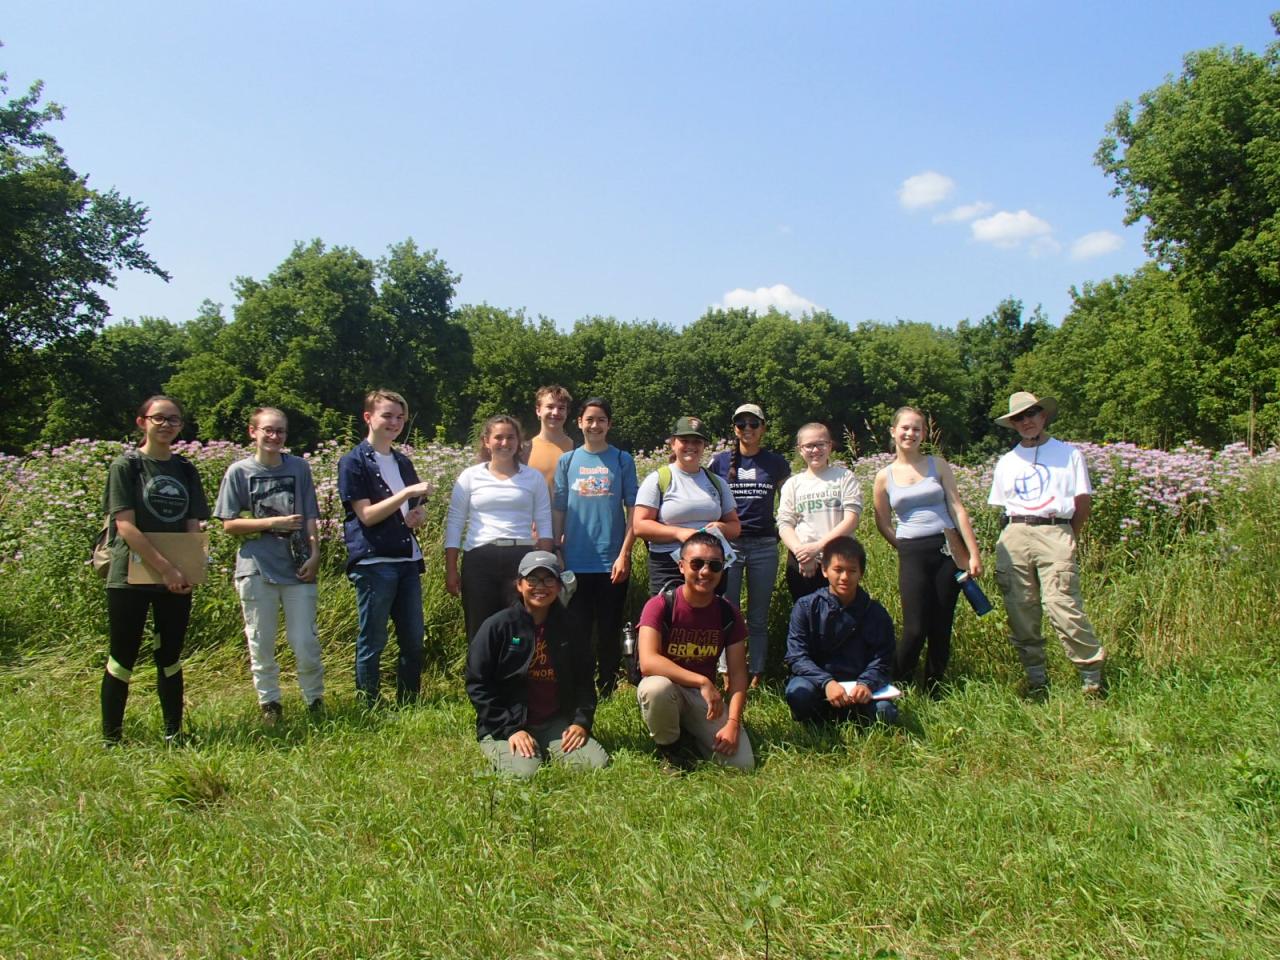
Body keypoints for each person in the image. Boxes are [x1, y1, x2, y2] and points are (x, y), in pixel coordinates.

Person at [100, 395, 210, 744]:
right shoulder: (126, 466)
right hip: (129, 577)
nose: (167, 425)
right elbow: (126, 527)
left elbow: (193, 525)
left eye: (174, 420)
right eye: (159, 418)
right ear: (142, 422)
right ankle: (112, 738)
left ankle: (173, 733)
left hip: (177, 578)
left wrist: (190, 569)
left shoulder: (186, 470)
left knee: (170, 655)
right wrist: (165, 569)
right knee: (123, 655)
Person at [987, 392, 1106, 699]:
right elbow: (1002, 506)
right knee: (1020, 607)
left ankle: (1091, 675)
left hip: (1055, 530)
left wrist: (1068, 536)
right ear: (1013, 424)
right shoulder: (1007, 462)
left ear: (1044, 417)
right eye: (1019, 418)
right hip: (1015, 532)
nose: (1026, 422)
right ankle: (1036, 678)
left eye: (1032, 414)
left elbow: (1083, 502)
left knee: (1062, 604)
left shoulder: (1068, 454)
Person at [214, 407, 324, 725]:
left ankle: (314, 700)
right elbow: (228, 524)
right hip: (255, 567)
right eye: (268, 430)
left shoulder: (299, 468)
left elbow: (311, 515)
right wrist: (272, 521)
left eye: (280, 431)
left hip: (298, 565)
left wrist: (315, 553)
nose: (274, 437)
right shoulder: (239, 472)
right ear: (253, 432)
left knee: (304, 640)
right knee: (260, 639)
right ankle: (270, 704)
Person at [465, 550, 609, 779]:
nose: (540, 586)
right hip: (506, 724)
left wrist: (582, 722)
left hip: (553, 721)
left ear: (559, 585)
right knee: (524, 774)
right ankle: (505, 749)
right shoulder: (497, 627)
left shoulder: (572, 627)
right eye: (532, 579)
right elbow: (477, 684)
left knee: (595, 764)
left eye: (549, 579)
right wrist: (511, 729)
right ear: (519, 585)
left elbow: (584, 681)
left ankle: (546, 746)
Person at [872, 406, 981, 695]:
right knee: (915, 628)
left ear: (924, 433)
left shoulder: (938, 465)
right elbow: (881, 522)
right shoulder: (884, 476)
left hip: (947, 548)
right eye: (905, 428)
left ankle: (934, 687)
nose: (910, 433)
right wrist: (904, 547)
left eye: (917, 428)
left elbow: (957, 509)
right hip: (912, 551)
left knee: (942, 622)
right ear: (893, 431)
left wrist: (972, 553)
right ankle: (897, 684)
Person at [338, 389, 433, 706]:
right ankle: (369, 703)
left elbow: (414, 509)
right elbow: (366, 515)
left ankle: (409, 702)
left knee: (413, 639)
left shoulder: (402, 460)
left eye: (400, 417)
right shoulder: (353, 462)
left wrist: (419, 513)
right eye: (387, 415)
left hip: (407, 559)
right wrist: (407, 495)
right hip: (374, 561)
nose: (395, 422)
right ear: (368, 417)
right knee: (374, 638)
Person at [636, 531, 754, 770]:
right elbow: (648, 662)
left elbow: (739, 674)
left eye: (714, 566)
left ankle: (691, 734)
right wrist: (702, 681)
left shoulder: (728, 613)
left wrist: (732, 722)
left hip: (703, 700)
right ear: (681, 566)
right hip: (669, 687)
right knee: (655, 688)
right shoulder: (660, 605)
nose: (705, 572)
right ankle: (670, 748)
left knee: (741, 765)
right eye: (697, 563)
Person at [552, 397, 639, 696]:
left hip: (611, 561)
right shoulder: (567, 461)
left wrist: (624, 554)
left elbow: (633, 511)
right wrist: (557, 551)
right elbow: (559, 508)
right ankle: (580, 685)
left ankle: (608, 686)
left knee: (608, 628)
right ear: (579, 423)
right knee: (577, 629)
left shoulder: (622, 460)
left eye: (601, 419)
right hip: (575, 560)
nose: (595, 425)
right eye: (589, 419)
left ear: (609, 424)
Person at [445, 414, 554, 644]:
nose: (505, 443)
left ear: (518, 442)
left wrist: (546, 565)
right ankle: (480, 678)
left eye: (510, 437)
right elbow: (455, 523)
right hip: (479, 558)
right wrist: (451, 568)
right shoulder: (470, 476)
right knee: (479, 627)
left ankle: (516, 677)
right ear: (486, 441)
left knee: (519, 627)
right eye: (499, 437)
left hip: (521, 559)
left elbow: (544, 523)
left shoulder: (533, 478)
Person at [709, 403, 790, 687]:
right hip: (729, 546)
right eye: (741, 424)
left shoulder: (777, 463)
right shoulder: (718, 463)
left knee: (758, 614)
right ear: (734, 429)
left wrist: (788, 531)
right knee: (725, 611)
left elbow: (789, 502)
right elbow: (708, 498)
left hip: (765, 545)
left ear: (763, 427)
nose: (747, 429)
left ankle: (756, 673)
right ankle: (727, 673)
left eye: (753, 424)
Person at [783, 536, 898, 726]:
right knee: (799, 694)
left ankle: (855, 712)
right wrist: (826, 683)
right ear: (824, 570)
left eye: (852, 571)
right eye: (838, 570)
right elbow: (796, 656)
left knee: (885, 713)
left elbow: (883, 658)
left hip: (859, 688)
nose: (845, 577)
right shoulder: (806, 607)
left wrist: (866, 683)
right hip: (818, 684)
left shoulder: (875, 612)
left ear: (861, 573)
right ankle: (820, 717)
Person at [632, 416, 741, 596]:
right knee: (669, 617)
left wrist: (722, 527)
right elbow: (640, 525)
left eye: (697, 441)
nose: (690, 446)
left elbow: (735, 527)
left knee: (709, 619)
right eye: (684, 440)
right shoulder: (658, 479)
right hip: (669, 563)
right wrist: (679, 533)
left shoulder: (717, 483)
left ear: (704, 446)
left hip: (709, 564)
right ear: (673, 443)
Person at [777, 422, 862, 600]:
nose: (815, 450)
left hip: (838, 560)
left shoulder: (845, 477)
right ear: (800, 449)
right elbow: (785, 524)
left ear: (830, 446)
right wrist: (802, 554)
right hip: (802, 563)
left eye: (820, 444)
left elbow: (851, 520)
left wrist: (817, 548)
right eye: (809, 446)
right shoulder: (793, 484)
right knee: (806, 615)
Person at [526, 384, 575, 488]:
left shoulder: (577, 449)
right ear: (538, 410)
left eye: (561, 408)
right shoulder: (524, 450)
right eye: (550, 407)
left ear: (567, 412)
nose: (555, 412)